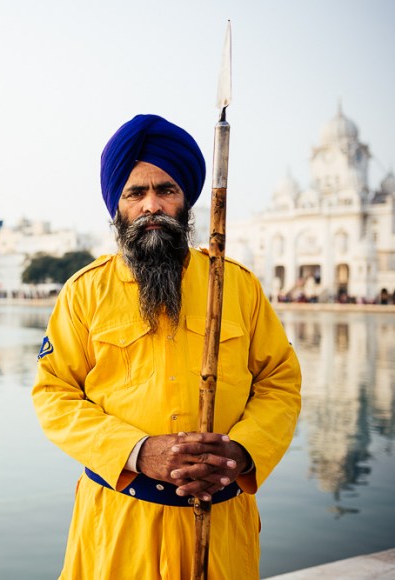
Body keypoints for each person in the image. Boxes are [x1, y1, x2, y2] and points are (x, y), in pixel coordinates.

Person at [31, 114, 302, 579]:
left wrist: (242, 452)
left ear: (187, 201)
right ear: (118, 206)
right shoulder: (85, 292)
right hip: (121, 524)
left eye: (166, 190)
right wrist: (138, 451)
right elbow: (54, 396)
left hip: (220, 526)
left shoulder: (236, 286)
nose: (152, 205)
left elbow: (280, 382)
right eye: (136, 193)